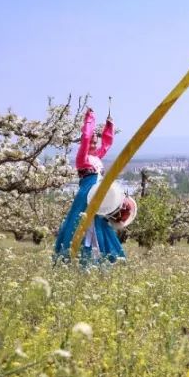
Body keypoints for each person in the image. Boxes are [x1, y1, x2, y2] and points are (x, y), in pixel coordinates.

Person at [53, 107, 126, 264]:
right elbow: (86, 137)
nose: (93, 142)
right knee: (79, 224)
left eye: (95, 140)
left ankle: (105, 258)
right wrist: (90, 118)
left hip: (98, 195)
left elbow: (107, 144)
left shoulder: (97, 157)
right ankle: (75, 259)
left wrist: (109, 126)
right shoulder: (82, 158)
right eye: (91, 140)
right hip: (86, 194)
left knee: (100, 224)